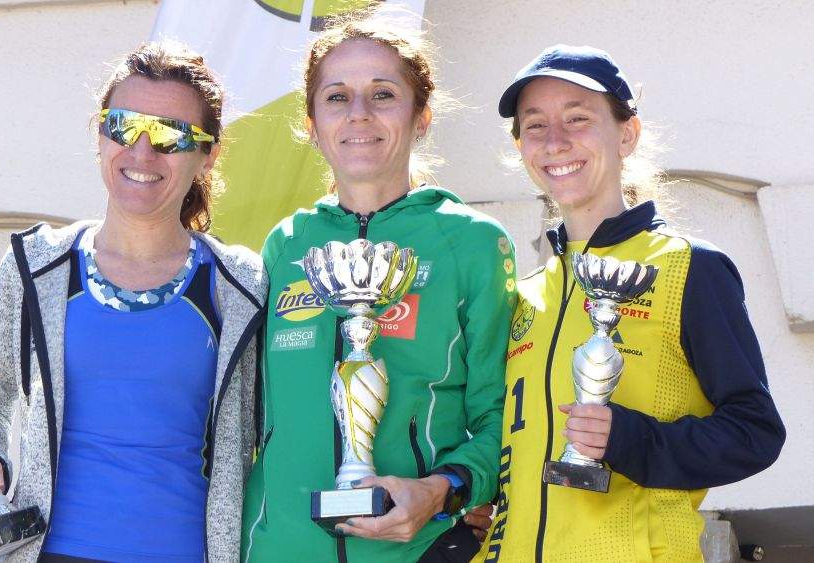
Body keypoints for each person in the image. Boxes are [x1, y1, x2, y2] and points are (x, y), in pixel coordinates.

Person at [0, 42, 267, 562]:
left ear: (208, 154)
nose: (142, 151)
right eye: (123, 125)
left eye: (171, 133)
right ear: (100, 134)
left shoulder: (241, 284)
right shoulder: (37, 264)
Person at [467, 45, 786, 562]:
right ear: (521, 146)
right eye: (536, 125)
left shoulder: (690, 268)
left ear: (627, 134)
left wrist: (630, 439)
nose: (555, 141)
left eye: (578, 118)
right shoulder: (525, 294)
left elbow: (756, 431)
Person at [241, 9, 517, 563]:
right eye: (337, 97)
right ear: (312, 123)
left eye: (383, 94)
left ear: (422, 117)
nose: (359, 113)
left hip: (419, 549)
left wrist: (445, 490)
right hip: (278, 547)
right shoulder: (286, 246)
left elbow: (501, 418)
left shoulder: (473, 243)